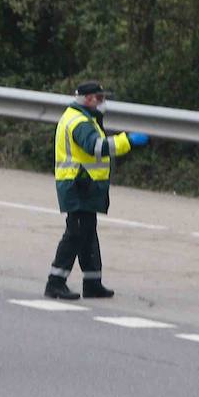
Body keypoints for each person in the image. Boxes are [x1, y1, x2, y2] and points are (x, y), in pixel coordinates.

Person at [45, 81, 149, 300]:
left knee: (87, 233)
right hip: (78, 183)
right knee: (75, 233)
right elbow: (96, 147)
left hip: (84, 183)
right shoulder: (79, 122)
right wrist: (127, 140)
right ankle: (55, 282)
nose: (104, 102)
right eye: (100, 98)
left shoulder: (85, 118)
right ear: (89, 99)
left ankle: (92, 282)